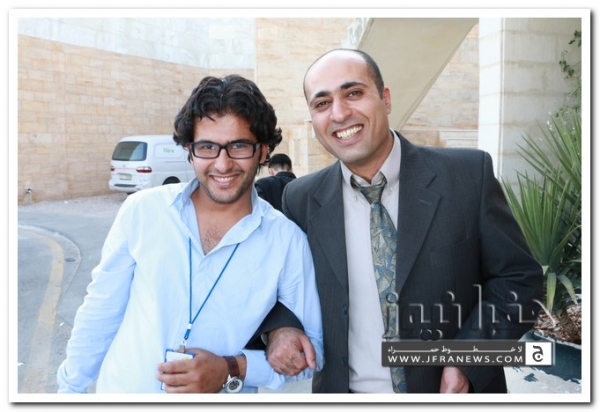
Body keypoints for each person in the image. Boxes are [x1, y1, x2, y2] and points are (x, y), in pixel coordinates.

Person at [260, 49, 543, 393]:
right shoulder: (300, 199)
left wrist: (467, 359)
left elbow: (519, 280)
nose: (339, 113)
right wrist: (281, 329)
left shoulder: (468, 175)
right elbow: (282, 289)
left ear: (386, 99)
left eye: (353, 93)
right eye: (322, 103)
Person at [56, 74, 323, 393]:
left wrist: (232, 368)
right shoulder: (143, 211)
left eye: (238, 146)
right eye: (207, 147)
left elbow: (312, 354)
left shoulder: (288, 242)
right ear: (189, 150)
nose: (222, 164)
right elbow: (100, 312)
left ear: (263, 151)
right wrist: (69, 391)